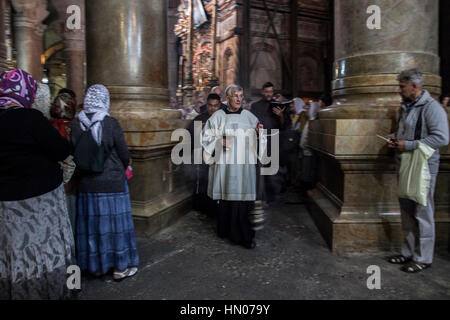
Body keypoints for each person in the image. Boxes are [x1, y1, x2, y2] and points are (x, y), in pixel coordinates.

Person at [0, 69, 75, 299]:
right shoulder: (30, 118)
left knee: (14, 254)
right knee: (42, 252)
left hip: (6, 205)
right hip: (38, 204)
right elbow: (62, 150)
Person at [71, 84, 139, 281]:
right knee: (115, 227)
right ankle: (120, 267)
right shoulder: (110, 123)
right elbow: (124, 153)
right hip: (112, 184)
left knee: (93, 228)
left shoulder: (76, 123)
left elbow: (74, 151)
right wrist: (126, 163)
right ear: (105, 100)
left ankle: (96, 267)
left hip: (86, 185)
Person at [387, 69, 449, 273]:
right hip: (405, 165)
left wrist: (410, 145)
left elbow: (442, 138)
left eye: (402, 86)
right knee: (406, 212)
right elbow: (403, 132)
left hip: (423, 168)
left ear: (415, 86)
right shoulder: (404, 108)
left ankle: (423, 258)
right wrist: (394, 139)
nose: (399, 90)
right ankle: (407, 253)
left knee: (423, 212)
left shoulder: (433, 108)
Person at [202, 84, 264, 249]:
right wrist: (218, 141)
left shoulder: (249, 116)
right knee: (227, 198)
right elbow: (205, 136)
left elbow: (260, 137)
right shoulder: (218, 116)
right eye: (235, 96)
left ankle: (243, 236)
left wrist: (259, 133)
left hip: (244, 166)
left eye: (240, 96)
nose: (238, 99)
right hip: (225, 166)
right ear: (227, 98)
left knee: (242, 201)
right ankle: (225, 230)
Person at [251, 82, 287, 204]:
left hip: (274, 142)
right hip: (260, 142)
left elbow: (283, 126)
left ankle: (272, 198)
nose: (268, 94)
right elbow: (251, 124)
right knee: (260, 171)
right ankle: (261, 197)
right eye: (266, 92)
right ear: (262, 92)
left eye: (270, 92)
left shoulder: (277, 106)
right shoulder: (255, 106)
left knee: (273, 172)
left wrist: (281, 115)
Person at [188, 93, 222, 219]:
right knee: (203, 183)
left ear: (219, 106)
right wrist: (199, 132)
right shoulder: (199, 119)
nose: (213, 108)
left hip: (219, 156)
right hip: (202, 157)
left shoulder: (223, 119)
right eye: (210, 105)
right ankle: (202, 209)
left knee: (216, 183)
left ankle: (216, 210)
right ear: (207, 105)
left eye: (216, 106)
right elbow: (189, 136)